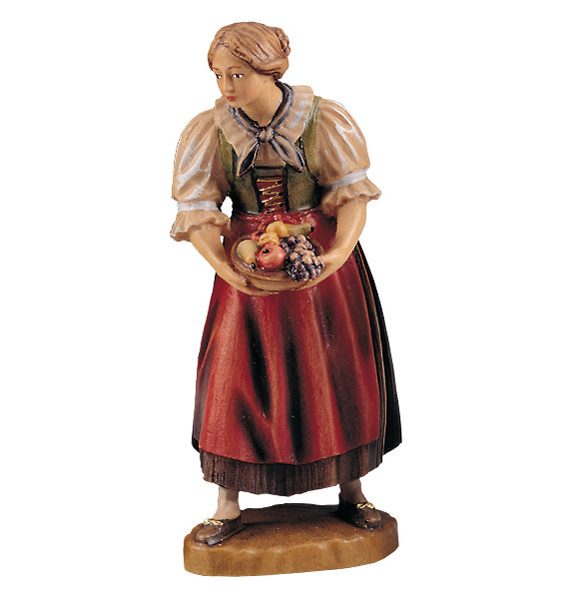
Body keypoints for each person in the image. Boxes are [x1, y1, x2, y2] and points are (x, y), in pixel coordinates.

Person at [171, 22, 401, 546]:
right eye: (219, 74)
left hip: (319, 264)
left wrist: (338, 253)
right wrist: (226, 268)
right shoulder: (209, 130)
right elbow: (198, 210)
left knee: (336, 370)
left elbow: (352, 196)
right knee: (235, 377)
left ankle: (352, 491)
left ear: (270, 70)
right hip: (247, 264)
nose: (226, 86)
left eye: (238, 74)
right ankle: (227, 504)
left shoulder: (323, 119)